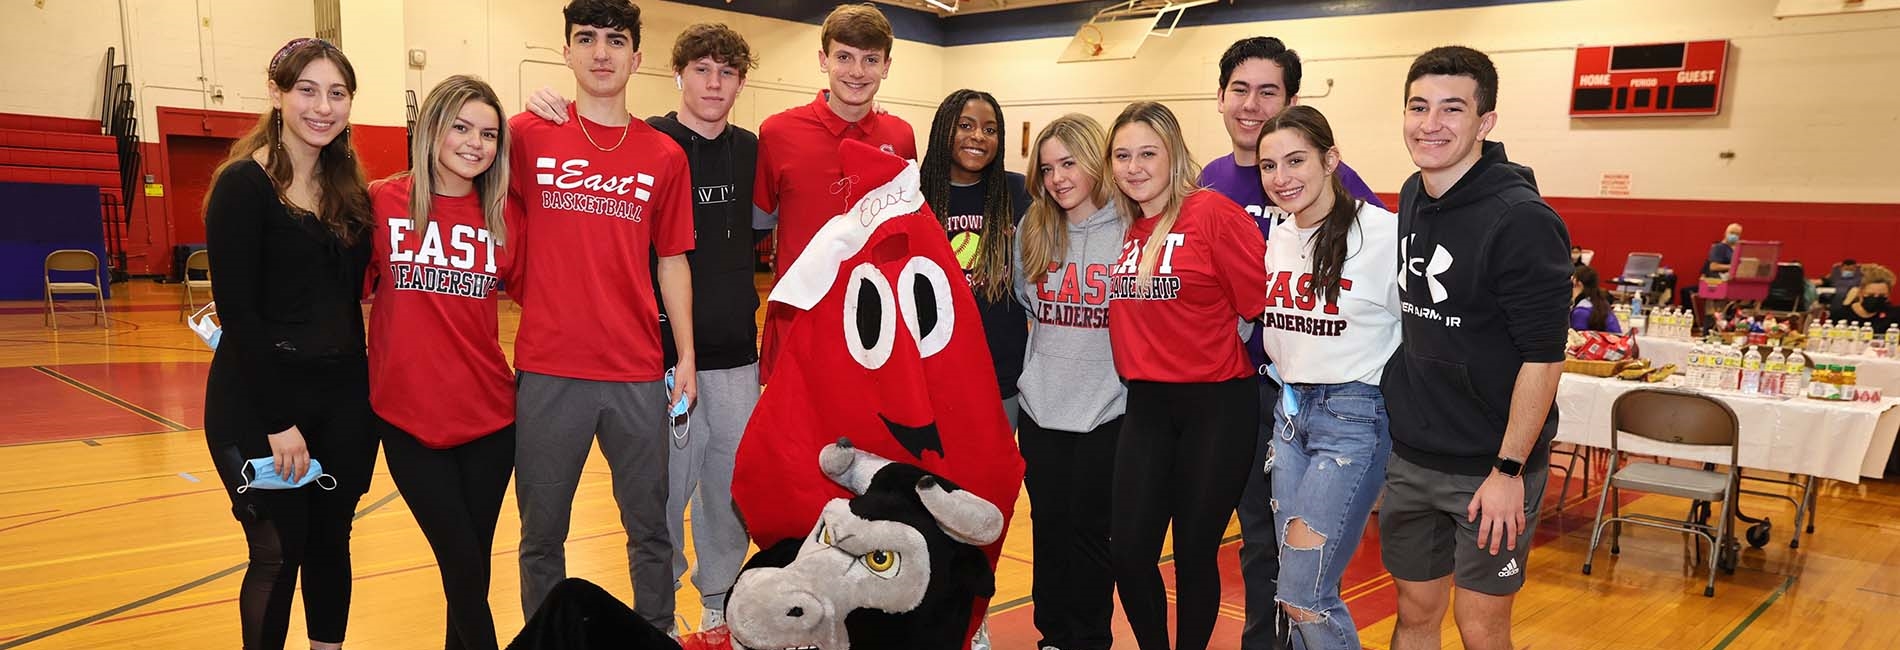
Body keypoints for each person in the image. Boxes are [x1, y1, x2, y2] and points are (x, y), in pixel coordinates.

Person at [523, 26, 763, 629]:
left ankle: (714, 605)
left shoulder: (752, 149)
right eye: (701, 70)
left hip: (730, 354)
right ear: (675, 73)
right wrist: (534, 105)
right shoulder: (646, 140)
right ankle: (558, 630)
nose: (714, 83)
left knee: (712, 498)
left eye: (727, 72)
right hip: (637, 360)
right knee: (649, 506)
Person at [506, 0, 697, 631]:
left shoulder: (664, 154)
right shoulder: (526, 135)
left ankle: (658, 630)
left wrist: (686, 358)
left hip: (636, 371)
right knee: (541, 538)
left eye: (616, 41)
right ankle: (545, 637)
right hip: (548, 369)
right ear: (565, 52)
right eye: (585, 39)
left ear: (636, 57)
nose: (601, 53)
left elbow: (672, 260)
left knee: (649, 530)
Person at [1196, 39, 1388, 648]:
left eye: (1268, 91)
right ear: (1221, 97)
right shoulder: (1225, 192)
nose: (1252, 105)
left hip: (1346, 408)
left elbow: (1389, 304)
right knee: (1269, 555)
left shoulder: (1359, 211)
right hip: (1265, 400)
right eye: (1240, 90)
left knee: (1304, 583)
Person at [1379, 46, 1572, 650]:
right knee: (1414, 614)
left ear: (1485, 122)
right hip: (1415, 458)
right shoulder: (1413, 192)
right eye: (1418, 106)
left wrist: (1509, 470)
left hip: (1492, 469)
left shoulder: (1521, 219)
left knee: (1482, 627)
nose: (1430, 123)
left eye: (1452, 109)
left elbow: (1544, 357)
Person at [201, 37, 377, 650]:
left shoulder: (353, 193)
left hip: (343, 401)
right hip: (260, 402)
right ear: (277, 94)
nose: (322, 107)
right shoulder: (241, 187)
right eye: (307, 90)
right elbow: (239, 314)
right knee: (279, 550)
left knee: (331, 542)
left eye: (337, 93)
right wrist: (279, 421)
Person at [1106, 101, 1268, 650]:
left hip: (1216, 406)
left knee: (1196, 550)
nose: (1134, 167)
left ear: (1173, 155)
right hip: (1147, 406)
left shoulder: (1214, 214)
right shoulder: (1125, 224)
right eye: (1123, 155)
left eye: (1147, 153)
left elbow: (1260, 305)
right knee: (1128, 550)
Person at [366, 75, 518, 650]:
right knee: (462, 569)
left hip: (491, 420)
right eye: (460, 126)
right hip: (407, 420)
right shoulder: (382, 200)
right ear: (431, 127)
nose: (475, 143)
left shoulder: (505, 216)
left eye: (488, 133)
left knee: (470, 572)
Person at [1251, 105, 1400, 650]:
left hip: (1351, 421)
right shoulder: (1281, 234)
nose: (1281, 178)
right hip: (1289, 418)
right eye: (1269, 167)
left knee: (1303, 593)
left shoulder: (1384, 234)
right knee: (1296, 594)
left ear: (1330, 160)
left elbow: (1418, 335)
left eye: (1296, 161)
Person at [754, 2, 918, 379]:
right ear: (823, 59)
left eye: (870, 59)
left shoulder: (901, 136)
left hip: (876, 321)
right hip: (802, 319)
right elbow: (759, 222)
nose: (857, 72)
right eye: (844, 56)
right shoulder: (778, 133)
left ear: (887, 66)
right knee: (798, 437)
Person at [1013, 113, 1125, 650]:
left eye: (1069, 162)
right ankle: (1053, 636)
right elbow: (1025, 299)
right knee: (1049, 528)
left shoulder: (1130, 231)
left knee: (1089, 534)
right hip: (1041, 409)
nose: (1058, 177)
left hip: (1107, 411)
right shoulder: (1033, 227)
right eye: (1048, 167)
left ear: (1096, 160)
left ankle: (1089, 639)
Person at [921, 89, 1030, 427]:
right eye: (965, 125)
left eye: (990, 129)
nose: (978, 137)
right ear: (944, 130)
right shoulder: (914, 193)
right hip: (929, 371)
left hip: (1001, 371)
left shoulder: (1019, 193)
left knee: (995, 477)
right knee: (931, 479)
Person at [1830, 263, 1898, 334]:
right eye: (1870, 294)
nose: (1876, 298)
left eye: (1882, 295)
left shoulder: (1894, 315)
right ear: (1860, 292)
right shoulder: (1840, 316)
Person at [1570, 266, 1622, 333]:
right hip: (1614, 341)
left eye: (1572, 285)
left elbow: (1578, 340)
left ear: (1579, 284)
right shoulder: (1603, 303)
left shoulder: (1580, 311)